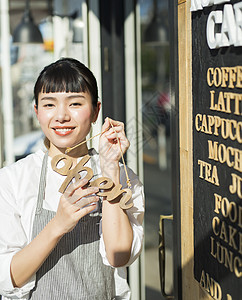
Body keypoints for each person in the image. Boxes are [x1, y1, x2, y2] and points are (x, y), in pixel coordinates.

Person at [0, 58, 144, 300]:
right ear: (36, 112)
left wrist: (110, 170)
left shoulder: (124, 178)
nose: (61, 116)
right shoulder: (13, 180)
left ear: (96, 110)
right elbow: (9, 277)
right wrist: (59, 224)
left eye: (75, 103)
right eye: (49, 105)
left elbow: (119, 256)